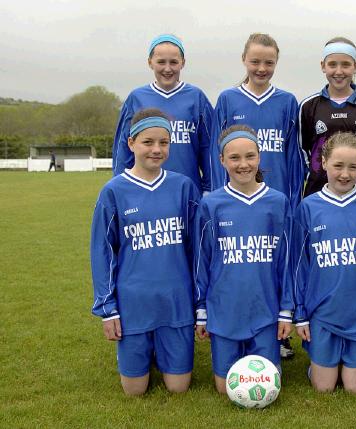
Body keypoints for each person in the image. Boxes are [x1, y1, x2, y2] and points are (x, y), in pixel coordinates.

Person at [90, 108, 201, 395]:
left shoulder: (183, 187)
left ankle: (164, 352)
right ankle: (143, 352)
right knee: (134, 392)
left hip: (176, 301)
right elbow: (102, 252)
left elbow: (198, 250)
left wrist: (200, 302)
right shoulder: (114, 191)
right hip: (133, 304)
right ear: (131, 143)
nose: (156, 149)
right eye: (148, 142)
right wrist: (108, 309)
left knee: (178, 388)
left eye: (164, 142)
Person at [195, 125, 294, 394]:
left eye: (250, 156)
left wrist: (286, 311)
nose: (243, 164)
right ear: (222, 161)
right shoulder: (212, 204)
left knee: (268, 385)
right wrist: (202, 311)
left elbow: (286, 262)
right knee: (224, 388)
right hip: (224, 311)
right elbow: (202, 261)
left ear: (259, 157)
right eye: (235, 158)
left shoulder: (277, 202)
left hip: (265, 312)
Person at [292, 132, 356, 394]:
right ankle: (321, 363)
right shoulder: (308, 207)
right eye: (338, 165)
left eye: (353, 167)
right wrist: (300, 315)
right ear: (323, 162)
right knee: (323, 388)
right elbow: (299, 266)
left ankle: (355, 360)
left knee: (354, 390)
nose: (345, 174)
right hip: (322, 313)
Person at [211, 33, 305, 209]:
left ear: (276, 62)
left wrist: (293, 204)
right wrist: (220, 199)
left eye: (269, 63)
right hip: (235, 200)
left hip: (277, 200)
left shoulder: (287, 102)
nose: (262, 68)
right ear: (244, 59)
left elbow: (294, 160)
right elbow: (216, 155)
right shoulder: (228, 99)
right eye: (255, 62)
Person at [112, 34, 214, 193]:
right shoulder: (136, 98)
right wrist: (121, 187)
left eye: (173, 62)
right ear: (150, 62)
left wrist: (210, 188)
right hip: (144, 192)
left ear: (183, 63)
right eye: (161, 62)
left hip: (188, 193)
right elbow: (123, 147)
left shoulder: (196, 98)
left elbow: (209, 148)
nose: (167, 68)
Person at [299, 37, 356, 197]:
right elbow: (302, 151)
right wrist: (317, 172)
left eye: (346, 64)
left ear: (355, 67)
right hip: (318, 192)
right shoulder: (308, 106)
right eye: (332, 64)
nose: (339, 71)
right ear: (323, 66)